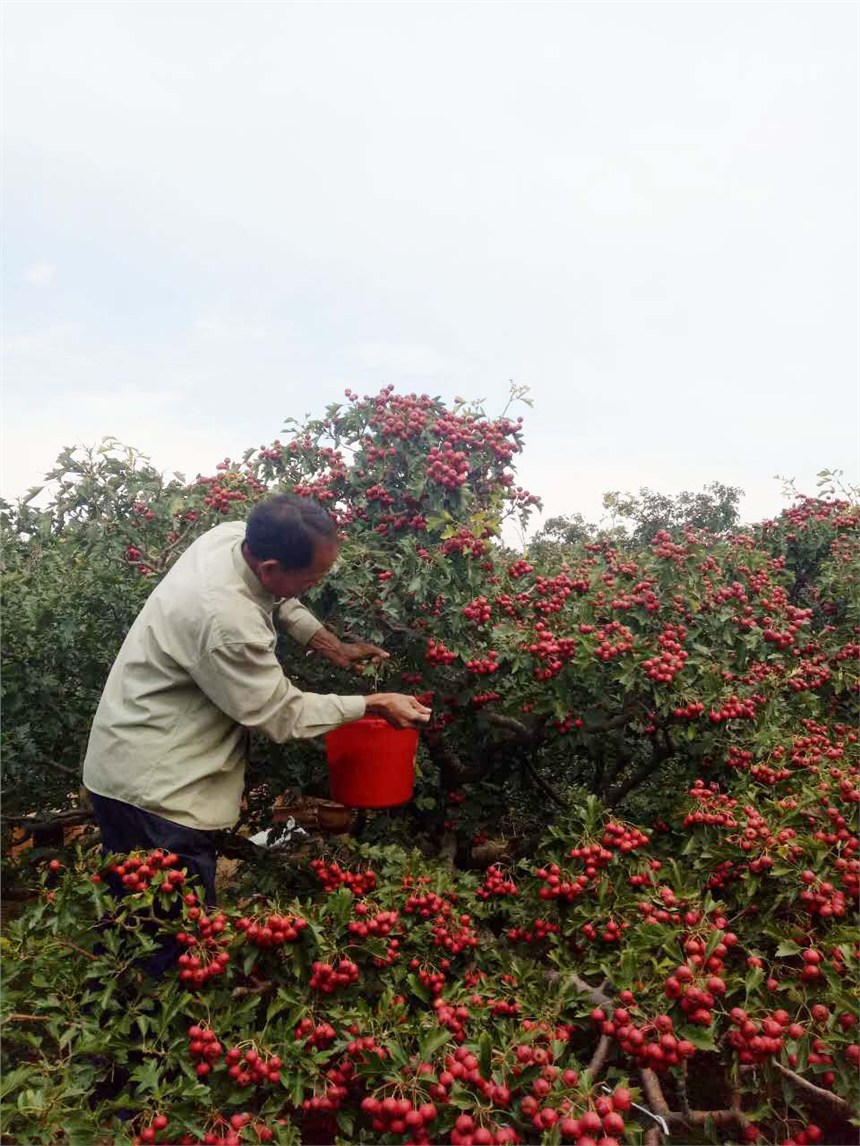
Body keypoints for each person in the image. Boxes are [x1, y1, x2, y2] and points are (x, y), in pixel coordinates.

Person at [82, 492, 431, 921]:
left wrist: (328, 644)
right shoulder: (226, 622)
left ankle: (123, 979)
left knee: (127, 919)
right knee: (172, 937)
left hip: (122, 759)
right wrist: (372, 703)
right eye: (311, 580)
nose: (315, 586)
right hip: (159, 793)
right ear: (270, 567)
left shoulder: (230, 538)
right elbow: (281, 714)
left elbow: (281, 596)